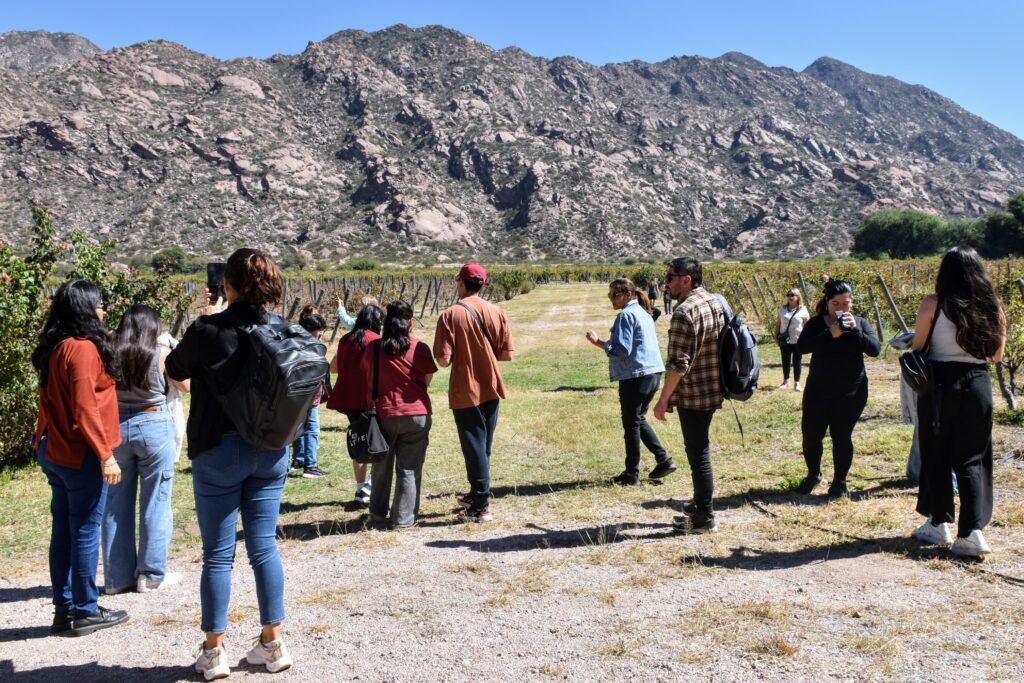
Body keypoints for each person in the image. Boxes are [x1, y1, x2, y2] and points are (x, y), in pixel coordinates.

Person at [166, 248, 294, 679]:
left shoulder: (207, 330)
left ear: (228, 284)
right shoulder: (282, 330)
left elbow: (173, 366)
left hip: (217, 448)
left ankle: (213, 651)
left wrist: (206, 319)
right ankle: (272, 644)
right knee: (264, 547)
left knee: (218, 557)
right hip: (271, 450)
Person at [32, 279, 129, 636]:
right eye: (100, 304)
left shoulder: (55, 347)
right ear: (86, 308)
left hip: (54, 450)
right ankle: (86, 610)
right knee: (86, 530)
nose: (104, 310)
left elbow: (48, 401)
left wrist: (38, 440)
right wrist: (106, 455)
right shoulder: (84, 349)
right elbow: (85, 407)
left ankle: (65, 608)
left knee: (64, 531)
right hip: (80, 453)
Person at [912, 246, 1006, 557]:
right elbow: (996, 356)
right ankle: (972, 531)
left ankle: (939, 522)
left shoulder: (933, 304)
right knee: (971, 459)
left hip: (939, 384)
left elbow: (919, 348)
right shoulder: (993, 308)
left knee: (936, 454)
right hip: (978, 384)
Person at [102, 304, 189, 596]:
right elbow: (186, 385)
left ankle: (116, 578)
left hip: (117, 424)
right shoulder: (160, 353)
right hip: (153, 422)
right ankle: (151, 574)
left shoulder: (110, 352)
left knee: (115, 503)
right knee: (156, 500)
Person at [433, 263, 515, 523]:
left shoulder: (450, 315)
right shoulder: (497, 312)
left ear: (460, 283)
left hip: (465, 389)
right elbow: (505, 354)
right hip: (491, 385)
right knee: (483, 446)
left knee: (473, 446)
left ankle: (480, 505)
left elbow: (443, 361)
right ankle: (476, 493)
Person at [653, 258, 727, 534]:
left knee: (699, 454)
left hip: (694, 393)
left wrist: (662, 401)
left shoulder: (684, 312)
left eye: (670, 277)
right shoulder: (713, 301)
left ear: (686, 279)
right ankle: (699, 507)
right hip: (711, 387)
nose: (666, 282)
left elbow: (678, 364)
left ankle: (704, 517)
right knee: (699, 450)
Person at [795, 279, 881, 499]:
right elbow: (802, 348)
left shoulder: (860, 323)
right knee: (811, 435)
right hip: (818, 389)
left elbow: (875, 350)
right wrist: (829, 334)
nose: (841, 309)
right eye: (836, 304)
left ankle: (840, 482)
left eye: (846, 304)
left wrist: (855, 332)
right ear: (827, 302)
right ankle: (813, 474)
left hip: (851, 390)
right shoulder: (816, 324)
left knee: (842, 436)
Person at [585, 278, 674, 485]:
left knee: (631, 423)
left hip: (636, 375)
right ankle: (663, 460)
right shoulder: (643, 312)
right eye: (610, 295)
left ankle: (631, 473)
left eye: (615, 295)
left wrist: (599, 342)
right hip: (653, 372)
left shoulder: (626, 315)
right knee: (637, 419)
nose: (611, 299)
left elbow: (622, 349)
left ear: (628, 295)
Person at [363, 301, 437, 528]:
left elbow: (368, 379)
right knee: (409, 469)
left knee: (380, 469)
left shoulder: (372, 349)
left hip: (384, 414)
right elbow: (426, 381)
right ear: (410, 324)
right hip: (416, 415)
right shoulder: (420, 348)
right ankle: (404, 520)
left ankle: (377, 516)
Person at [326, 303, 385, 504]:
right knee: (378, 443)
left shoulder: (345, 340)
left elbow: (333, 368)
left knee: (360, 441)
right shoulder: (377, 340)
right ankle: (370, 485)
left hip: (350, 399)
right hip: (372, 399)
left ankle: (360, 487)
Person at [291, 310, 329, 478]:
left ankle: (298, 459)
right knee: (312, 429)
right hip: (310, 393)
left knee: (297, 427)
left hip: (295, 393)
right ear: (312, 329)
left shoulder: (293, 342)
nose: (321, 334)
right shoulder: (314, 346)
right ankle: (311, 465)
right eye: (319, 330)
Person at [776, 289, 810, 392]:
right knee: (785, 360)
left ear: (798, 297)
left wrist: (807, 339)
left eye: (792, 295)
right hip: (784, 340)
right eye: (788, 295)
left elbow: (807, 326)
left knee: (797, 362)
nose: (790, 297)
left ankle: (797, 383)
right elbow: (778, 324)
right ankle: (786, 381)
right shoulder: (782, 310)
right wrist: (776, 336)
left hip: (798, 340)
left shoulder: (803, 310)